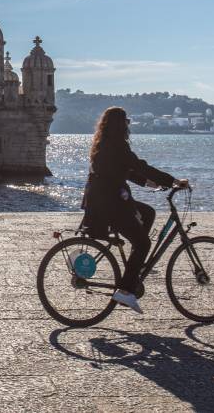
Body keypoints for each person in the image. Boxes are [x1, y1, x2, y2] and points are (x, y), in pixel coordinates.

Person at [80, 106, 189, 315]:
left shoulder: (103, 144)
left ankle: (134, 266)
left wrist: (153, 184)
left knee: (148, 213)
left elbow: (127, 171)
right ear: (121, 125)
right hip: (110, 204)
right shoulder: (118, 146)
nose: (128, 126)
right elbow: (139, 166)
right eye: (126, 122)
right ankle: (126, 290)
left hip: (105, 200)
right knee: (144, 243)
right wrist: (173, 180)